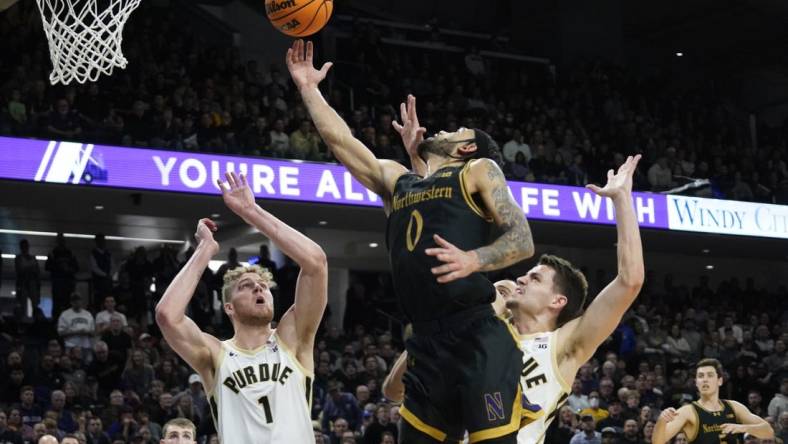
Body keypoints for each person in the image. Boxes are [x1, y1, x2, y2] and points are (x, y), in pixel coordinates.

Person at [288, 40, 533, 443]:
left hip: (478, 333)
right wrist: (308, 88)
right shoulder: (400, 182)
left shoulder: (477, 170)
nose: (444, 129)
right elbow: (343, 143)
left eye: (456, 131)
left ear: (467, 148)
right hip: (425, 341)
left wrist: (474, 259)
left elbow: (521, 238)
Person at [155, 171, 327, 443]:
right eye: (246, 286)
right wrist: (204, 251)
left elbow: (315, 262)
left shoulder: (293, 339)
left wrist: (252, 211)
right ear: (229, 307)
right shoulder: (215, 353)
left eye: (263, 285)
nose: (259, 288)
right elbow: (167, 315)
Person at [652, 358, 774, 443]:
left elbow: (768, 432)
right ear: (696, 382)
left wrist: (743, 428)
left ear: (720, 380)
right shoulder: (687, 411)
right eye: (700, 376)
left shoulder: (734, 407)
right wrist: (662, 421)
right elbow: (658, 441)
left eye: (710, 375)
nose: (705, 380)